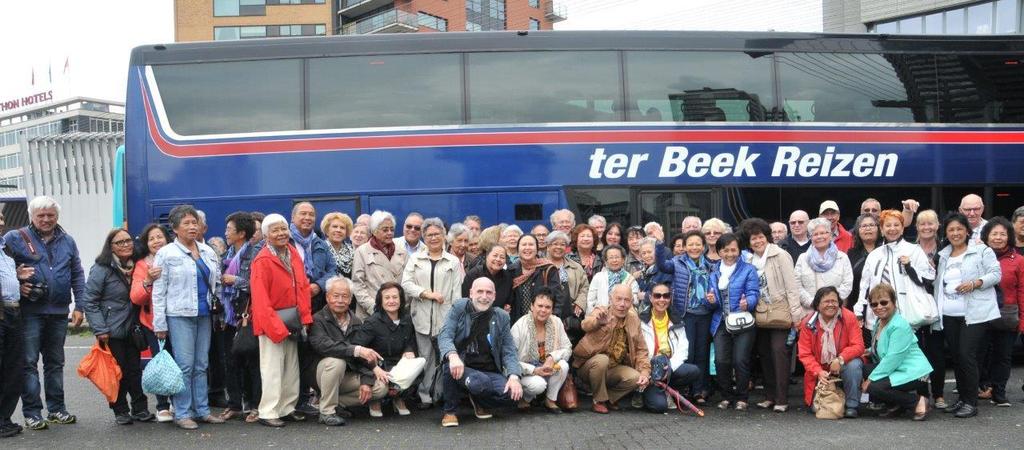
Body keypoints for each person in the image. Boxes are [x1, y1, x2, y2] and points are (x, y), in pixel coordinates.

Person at [5, 196, 85, 430]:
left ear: (57, 216)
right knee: (28, 363)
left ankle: (57, 409)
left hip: (59, 311)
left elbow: (77, 274)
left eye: (50, 215)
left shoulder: (67, 241)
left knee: (55, 363)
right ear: (32, 216)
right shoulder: (15, 238)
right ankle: (32, 413)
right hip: (29, 311)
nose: (46, 219)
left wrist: (79, 306)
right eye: (41, 215)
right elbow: (4, 270)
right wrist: (17, 284)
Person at [152, 205, 224, 430]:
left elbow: (217, 283)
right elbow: (158, 290)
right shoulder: (166, 253)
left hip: (204, 314)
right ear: (174, 228)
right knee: (185, 365)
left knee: (202, 364)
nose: (193, 227)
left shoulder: (208, 251)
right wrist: (159, 323)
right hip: (179, 314)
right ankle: (182, 412)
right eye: (187, 223)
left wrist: (219, 311)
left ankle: (202, 410)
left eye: (195, 223)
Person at [80, 229, 153, 425]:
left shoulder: (138, 265)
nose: (125, 245)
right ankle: (120, 410)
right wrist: (100, 329)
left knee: (135, 371)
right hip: (111, 330)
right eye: (119, 242)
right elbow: (90, 301)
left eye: (128, 240)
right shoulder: (101, 268)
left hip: (133, 328)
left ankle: (140, 409)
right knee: (117, 372)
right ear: (110, 246)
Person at [249, 213, 314, 428]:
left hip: (292, 319)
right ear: (266, 235)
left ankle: (286, 407)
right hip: (272, 322)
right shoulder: (262, 260)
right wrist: (275, 328)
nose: (281, 233)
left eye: (283, 229)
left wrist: (304, 317)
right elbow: (260, 299)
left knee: (290, 368)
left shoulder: (292, 253)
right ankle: (268, 411)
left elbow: (303, 287)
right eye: (275, 230)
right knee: (272, 368)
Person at [933, 213, 1001, 418]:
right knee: (957, 357)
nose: (955, 233)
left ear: (967, 230)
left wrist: (975, 283)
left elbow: (996, 274)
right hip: (949, 314)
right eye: (951, 230)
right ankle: (962, 398)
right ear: (946, 233)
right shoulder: (943, 255)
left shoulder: (981, 250)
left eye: (959, 229)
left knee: (966, 355)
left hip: (974, 313)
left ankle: (971, 402)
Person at [438, 278, 523, 427]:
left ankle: (478, 399)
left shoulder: (501, 316)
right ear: (471, 293)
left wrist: (514, 376)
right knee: (474, 380)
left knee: (512, 395)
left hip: (487, 369)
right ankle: (450, 411)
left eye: (488, 292)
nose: (484, 296)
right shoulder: (459, 308)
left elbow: (509, 350)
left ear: (494, 296)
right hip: (461, 366)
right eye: (480, 291)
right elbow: (445, 335)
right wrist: (453, 355)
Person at [739, 218, 801, 412]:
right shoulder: (748, 260)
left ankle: (782, 399)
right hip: (759, 312)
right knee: (764, 354)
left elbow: (792, 287)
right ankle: (769, 396)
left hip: (780, 311)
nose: (757, 241)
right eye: (752, 239)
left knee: (778, 353)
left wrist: (796, 316)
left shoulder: (780, 255)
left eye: (759, 237)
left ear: (766, 236)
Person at [402, 218, 464, 409]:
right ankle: (425, 396)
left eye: (437, 234)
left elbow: (457, 295)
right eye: (429, 235)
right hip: (421, 317)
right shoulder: (415, 259)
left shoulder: (453, 262)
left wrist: (454, 320)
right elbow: (406, 284)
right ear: (424, 237)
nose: (433, 238)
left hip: (445, 319)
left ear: (444, 236)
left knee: (445, 357)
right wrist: (427, 294)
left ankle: (443, 394)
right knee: (426, 358)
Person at [311, 277, 386, 426]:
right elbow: (323, 345)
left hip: (345, 375)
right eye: (335, 296)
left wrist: (366, 380)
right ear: (327, 297)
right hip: (320, 374)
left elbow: (363, 355)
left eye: (344, 296)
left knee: (380, 387)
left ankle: (331, 403)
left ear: (351, 299)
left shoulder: (356, 321)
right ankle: (327, 412)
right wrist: (355, 350)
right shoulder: (317, 319)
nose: (340, 300)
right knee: (335, 362)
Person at [654, 231, 715, 403]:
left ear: (703, 246)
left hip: (705, 314)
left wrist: (713, 299)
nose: (694, 247)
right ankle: (685, 390)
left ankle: (699, 391)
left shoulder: (710, 266)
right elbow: (661, 265)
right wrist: (659, 244)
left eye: (698, 244)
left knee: (702, 353)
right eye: (690, 244)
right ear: (685, 246)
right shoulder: (677, 262)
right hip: (685, 314)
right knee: (688, 352)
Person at [573, 284, 652, 414]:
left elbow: (641, 350)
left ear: (632, 302)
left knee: (635, 377)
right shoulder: (602, 311)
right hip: (589, 367)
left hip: (613, 368)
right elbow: (585, 324)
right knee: (602, 360)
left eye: (626, 300)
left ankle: (608, 398)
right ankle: (598, 400)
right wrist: (598, 323)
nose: (622, 304)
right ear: (611, 299)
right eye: (618, 299)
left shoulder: (634, 319)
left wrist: (645, 372)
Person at [352, 282, 426, 419]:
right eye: (387, 298)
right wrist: (373, 367)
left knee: (418, 367)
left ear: (401, 299)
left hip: (399, 361)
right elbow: (357, 347)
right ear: (381, 300)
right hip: (378, 364)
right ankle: (375, 400)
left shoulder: (407, 318)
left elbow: (411, 340)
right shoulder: (372, 322)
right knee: (382, 382)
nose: (391, 301)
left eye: (395, 297)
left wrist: (409, 350)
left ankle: (398, 398)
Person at [854, 210, 935, 335]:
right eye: (888, 225)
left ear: (902, 228)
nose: (892, 229)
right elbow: (864, 286)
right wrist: (859, 311)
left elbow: (928, 280)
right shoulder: (874, 255)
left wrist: (909, 267)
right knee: (880, 353)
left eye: (896, 225)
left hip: (907, 315)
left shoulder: (914, 250)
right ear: (881, 229)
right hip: (877, 317)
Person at [216, 211, 263, 422]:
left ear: (241, 233)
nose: (226, 233)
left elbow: (257, 285)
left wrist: (235, 280)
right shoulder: (226, 254)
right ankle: (234, 404)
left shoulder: (255, 254)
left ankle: (255, 405)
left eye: (229, 229)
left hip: (248, 313)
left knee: (252, 360)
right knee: (231, 361)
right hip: (229, 315)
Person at [862, 284, 932, 421]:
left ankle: (918, 401)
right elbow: (884, 345)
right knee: (863, 369)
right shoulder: (880, 321)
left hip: (915, 373)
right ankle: (896, 405)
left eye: (884, 302)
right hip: (899, 368)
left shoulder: (899, 325)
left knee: (873, 386)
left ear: (894, 302)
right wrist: (869, 351)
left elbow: (892, 358)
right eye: (874, 304)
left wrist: (869, 381)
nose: (879, 307)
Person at [129, 223, 176, 423]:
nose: (156, 241)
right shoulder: (142, 265)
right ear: (146, 244)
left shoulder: (177, 258)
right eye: (151, 238)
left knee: (180, 363)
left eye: (160, 237)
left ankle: (179, 402)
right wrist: (148, 280)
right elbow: (136, 298)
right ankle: (162, 405)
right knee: (161, 364)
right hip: (152, 323)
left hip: (179, 320)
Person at [796, 286, 865, 418]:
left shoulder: (849, 317)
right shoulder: (807, 323)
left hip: (843, 365)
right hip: (821, 370)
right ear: (817, 305)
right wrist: (818, 372)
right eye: (826, 301)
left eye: (834, 301)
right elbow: (805, 354)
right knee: (817, 409)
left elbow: (858, 346)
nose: (831, 304)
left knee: (854, 365)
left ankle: (852, 405)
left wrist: (840, 359)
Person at [708, 233, 758, 410]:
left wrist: (748, 303)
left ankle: (742, 397)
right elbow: (710, 299)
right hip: (721, 321)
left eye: (733, 249)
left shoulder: (748, 269)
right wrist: (711, 300)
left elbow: (753, 293)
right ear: (719, 251)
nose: (730, 253)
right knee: (721, 361)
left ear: (739, 250)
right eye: (725, 250)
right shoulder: (713, 272)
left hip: (743, 321)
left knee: (740, 360)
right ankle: (726, 396)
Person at [980, 217, 1023, 407]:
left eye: (1002, 234)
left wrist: (1022, 321)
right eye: (994, 234)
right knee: (978, 354)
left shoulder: (1019, 261)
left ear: (1009, 237)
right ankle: (982, 387)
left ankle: (999, 392)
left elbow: (1022, 290)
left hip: (1007, 313)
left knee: (1003, 356)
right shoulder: (977, 255)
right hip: (980, 313)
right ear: (986, 236)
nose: (998, 238)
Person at [640, 283, 700, 413]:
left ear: (670, 298)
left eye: (666, 296)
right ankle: (643, 392)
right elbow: (638, 351)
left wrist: (668, 368)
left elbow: (683, 349)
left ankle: (667, 389)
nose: (662, 300)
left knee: (693, 371)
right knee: (659, 407)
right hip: (648, 369)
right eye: (657, 296)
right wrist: (651, 370)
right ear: (650, 298)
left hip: (668, 367)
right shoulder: (641, 320)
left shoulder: (676, 320)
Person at [510, 288, 571, 413]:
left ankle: (550, 400)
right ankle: (525, 399)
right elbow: (511, 360)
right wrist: (534, 370)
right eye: (540, 306)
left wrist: (551, 357)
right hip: (526, 371)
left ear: (552, 309)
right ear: (532, 306)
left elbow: (567, 348)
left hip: (547, 368)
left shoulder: (556, 322)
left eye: (548, 307)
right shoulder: (520, 326)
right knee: (538, 385)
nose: (543, 310)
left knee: (563, 365)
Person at [0, 234, 34, 438]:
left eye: (2, 217)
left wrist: (16, 276)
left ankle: (4, 419)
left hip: (13, 310)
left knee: (14, 369)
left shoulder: (6, 250)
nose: (0, 222)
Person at [912, 209, 946, 408]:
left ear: (937, 225)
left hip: (937, 308)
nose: (926, 227)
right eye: (922, 224)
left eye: (930, 223)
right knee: (917, 353)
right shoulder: (910, 249)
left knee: (936, 352)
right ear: (916, 227)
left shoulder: (945, 250)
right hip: (915, 307)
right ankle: (921, 394)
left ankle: (939, 394)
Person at [352, 210, 409, 320]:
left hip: (397, 312)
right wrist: (374, 308)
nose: (389, 233)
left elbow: (408, 282)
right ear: (374, 231)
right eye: (385, 230)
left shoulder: (402, 252)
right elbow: (358, 284)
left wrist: (400, 306)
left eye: (392, 229)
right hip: (372, 314)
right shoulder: (362, 251)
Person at [794, 217, 854, 318]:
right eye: (815, 234)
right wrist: (813, 302)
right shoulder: (802, 258)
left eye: (823, 233)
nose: (819, 236)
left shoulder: (842, 257)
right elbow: (796, 285)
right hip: (809, 313)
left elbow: (847, 284)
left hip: (836, 313)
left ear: (830, 235)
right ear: (810, 237)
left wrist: (830, 302)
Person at [290, 202, 337, 314]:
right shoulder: (283, 242)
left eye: (311, 214)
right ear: (292, 218)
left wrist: (318, 286)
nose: (307, 217)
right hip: (291, 304)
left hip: (316, 305)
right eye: (303, 213)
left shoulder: (321, 244)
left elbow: (333, 271)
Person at [510, 234, 562, 323]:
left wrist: (552, 320)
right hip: (518, 324)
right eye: (524, 245)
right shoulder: (511, 271)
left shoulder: (548, 269)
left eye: (531, 245)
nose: (527, 248)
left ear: (537, 249)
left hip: (543, 322)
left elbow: (558, 298)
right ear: (518, 250)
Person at [545, 231, 589, 328]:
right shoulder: (541, 266)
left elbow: (584, 287)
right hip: (546, 311)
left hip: (571, 314)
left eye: (562, 244)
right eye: (555, 244)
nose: (559, 247)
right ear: (548, 247)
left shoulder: (576, 267)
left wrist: (580, 303)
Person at [587, 245, 640, 314]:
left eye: (617, 257)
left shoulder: (630, 279)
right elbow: (591, 300)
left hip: (624, 318)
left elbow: (635, 300)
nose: (614, 260)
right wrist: (596, 314)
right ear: (606, 261)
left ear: (623, 259)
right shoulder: (598, 277)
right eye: (611, 258)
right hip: (600, 317)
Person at [462, 245, 514, 312]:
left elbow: (509, 301)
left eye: (502, 257)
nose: (498, 259)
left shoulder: (508, 276)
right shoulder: (474, 274)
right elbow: (465, 299)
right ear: (487, 256)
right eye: (495, 256)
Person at [846, 213, 881, 311]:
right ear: (858, 231)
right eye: (864, 226)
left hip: (882, 306)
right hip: (856, 308)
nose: (868, 228)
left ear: (879, 229)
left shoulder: (886, 251)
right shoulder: (850, 254)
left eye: (871, 225)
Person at [635, 238, 671, 304]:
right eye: (644, 253)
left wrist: (645, 296)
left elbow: (668, 293)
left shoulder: (665, 269)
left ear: (656, 252)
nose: (647, 256)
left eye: (649, 252)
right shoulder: (643, 271)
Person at [321, 212, 355, 279]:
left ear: (346, 232)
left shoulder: (352, 250)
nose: (338, 230)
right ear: (327, 230)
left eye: (342, 228)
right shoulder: (320, 248)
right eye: (335, 227)